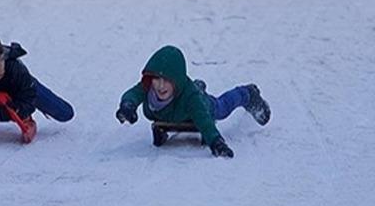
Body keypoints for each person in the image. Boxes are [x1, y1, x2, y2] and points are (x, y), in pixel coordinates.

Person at [115, 45, 271, 158]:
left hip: (201, 106)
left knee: (221, 107)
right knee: (194, 92)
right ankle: (199, 85)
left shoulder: (191, 98)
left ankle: (247, 94)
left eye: (166, 80)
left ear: (177, 81)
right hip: (177, 110)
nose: (160, 86)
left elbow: (204, 122)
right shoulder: (149, 88)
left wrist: (216, 142)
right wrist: (127, 106)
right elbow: (133, 94)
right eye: (156, 79)